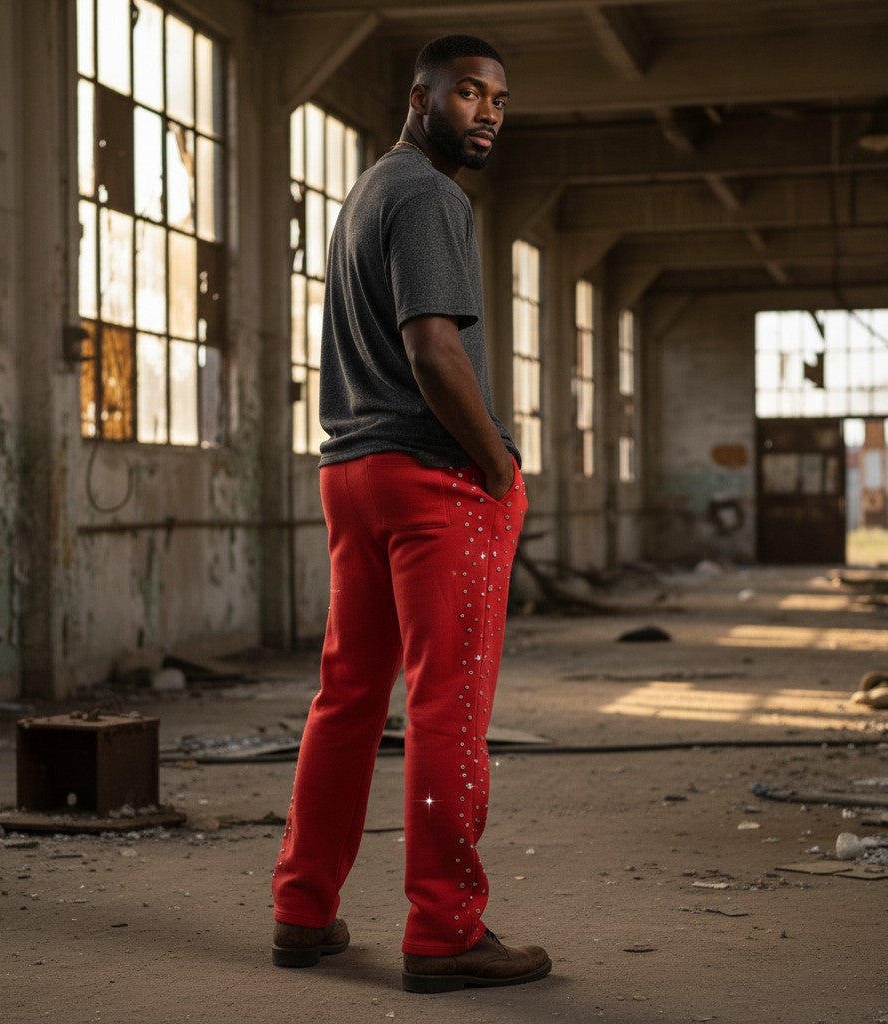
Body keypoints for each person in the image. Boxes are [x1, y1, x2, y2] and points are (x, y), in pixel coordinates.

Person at [270, 34, 551, 994]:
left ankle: (303, 910)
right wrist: (499, 466)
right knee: (449, 703)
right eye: (467, 93)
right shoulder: (430, 196)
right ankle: (444, 928)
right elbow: (434, 352)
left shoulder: (365, 193)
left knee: (346, 700)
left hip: (349, 472)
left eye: (499, 101)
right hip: (426, 479)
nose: (486, 113)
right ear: (419, 96)